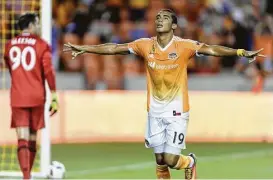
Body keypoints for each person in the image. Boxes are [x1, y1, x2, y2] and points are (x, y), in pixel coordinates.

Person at [64, 9, 264, 180]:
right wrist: (85, 49)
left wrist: (239, 52)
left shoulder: (183, 46)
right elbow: (116, 48)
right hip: (154, 112)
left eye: (165, 18)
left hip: (176, 111)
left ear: (174, 26)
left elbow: (211, 49)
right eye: (158, 17)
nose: (159, 20)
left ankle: (190, 162)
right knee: (160, 161)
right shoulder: (145, 44)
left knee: (170, 159)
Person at [4, 13, 58, 179]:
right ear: (32, 24)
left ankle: (26, 176)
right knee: (33, 137)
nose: (39, 26)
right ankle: (28, 176)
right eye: (38, 23)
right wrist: (54, 94)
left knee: (22, 138)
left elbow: (10, 66)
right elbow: (48, 70)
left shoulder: (9, 45)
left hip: (18, 95)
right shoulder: (42, 45)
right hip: (36, 95)